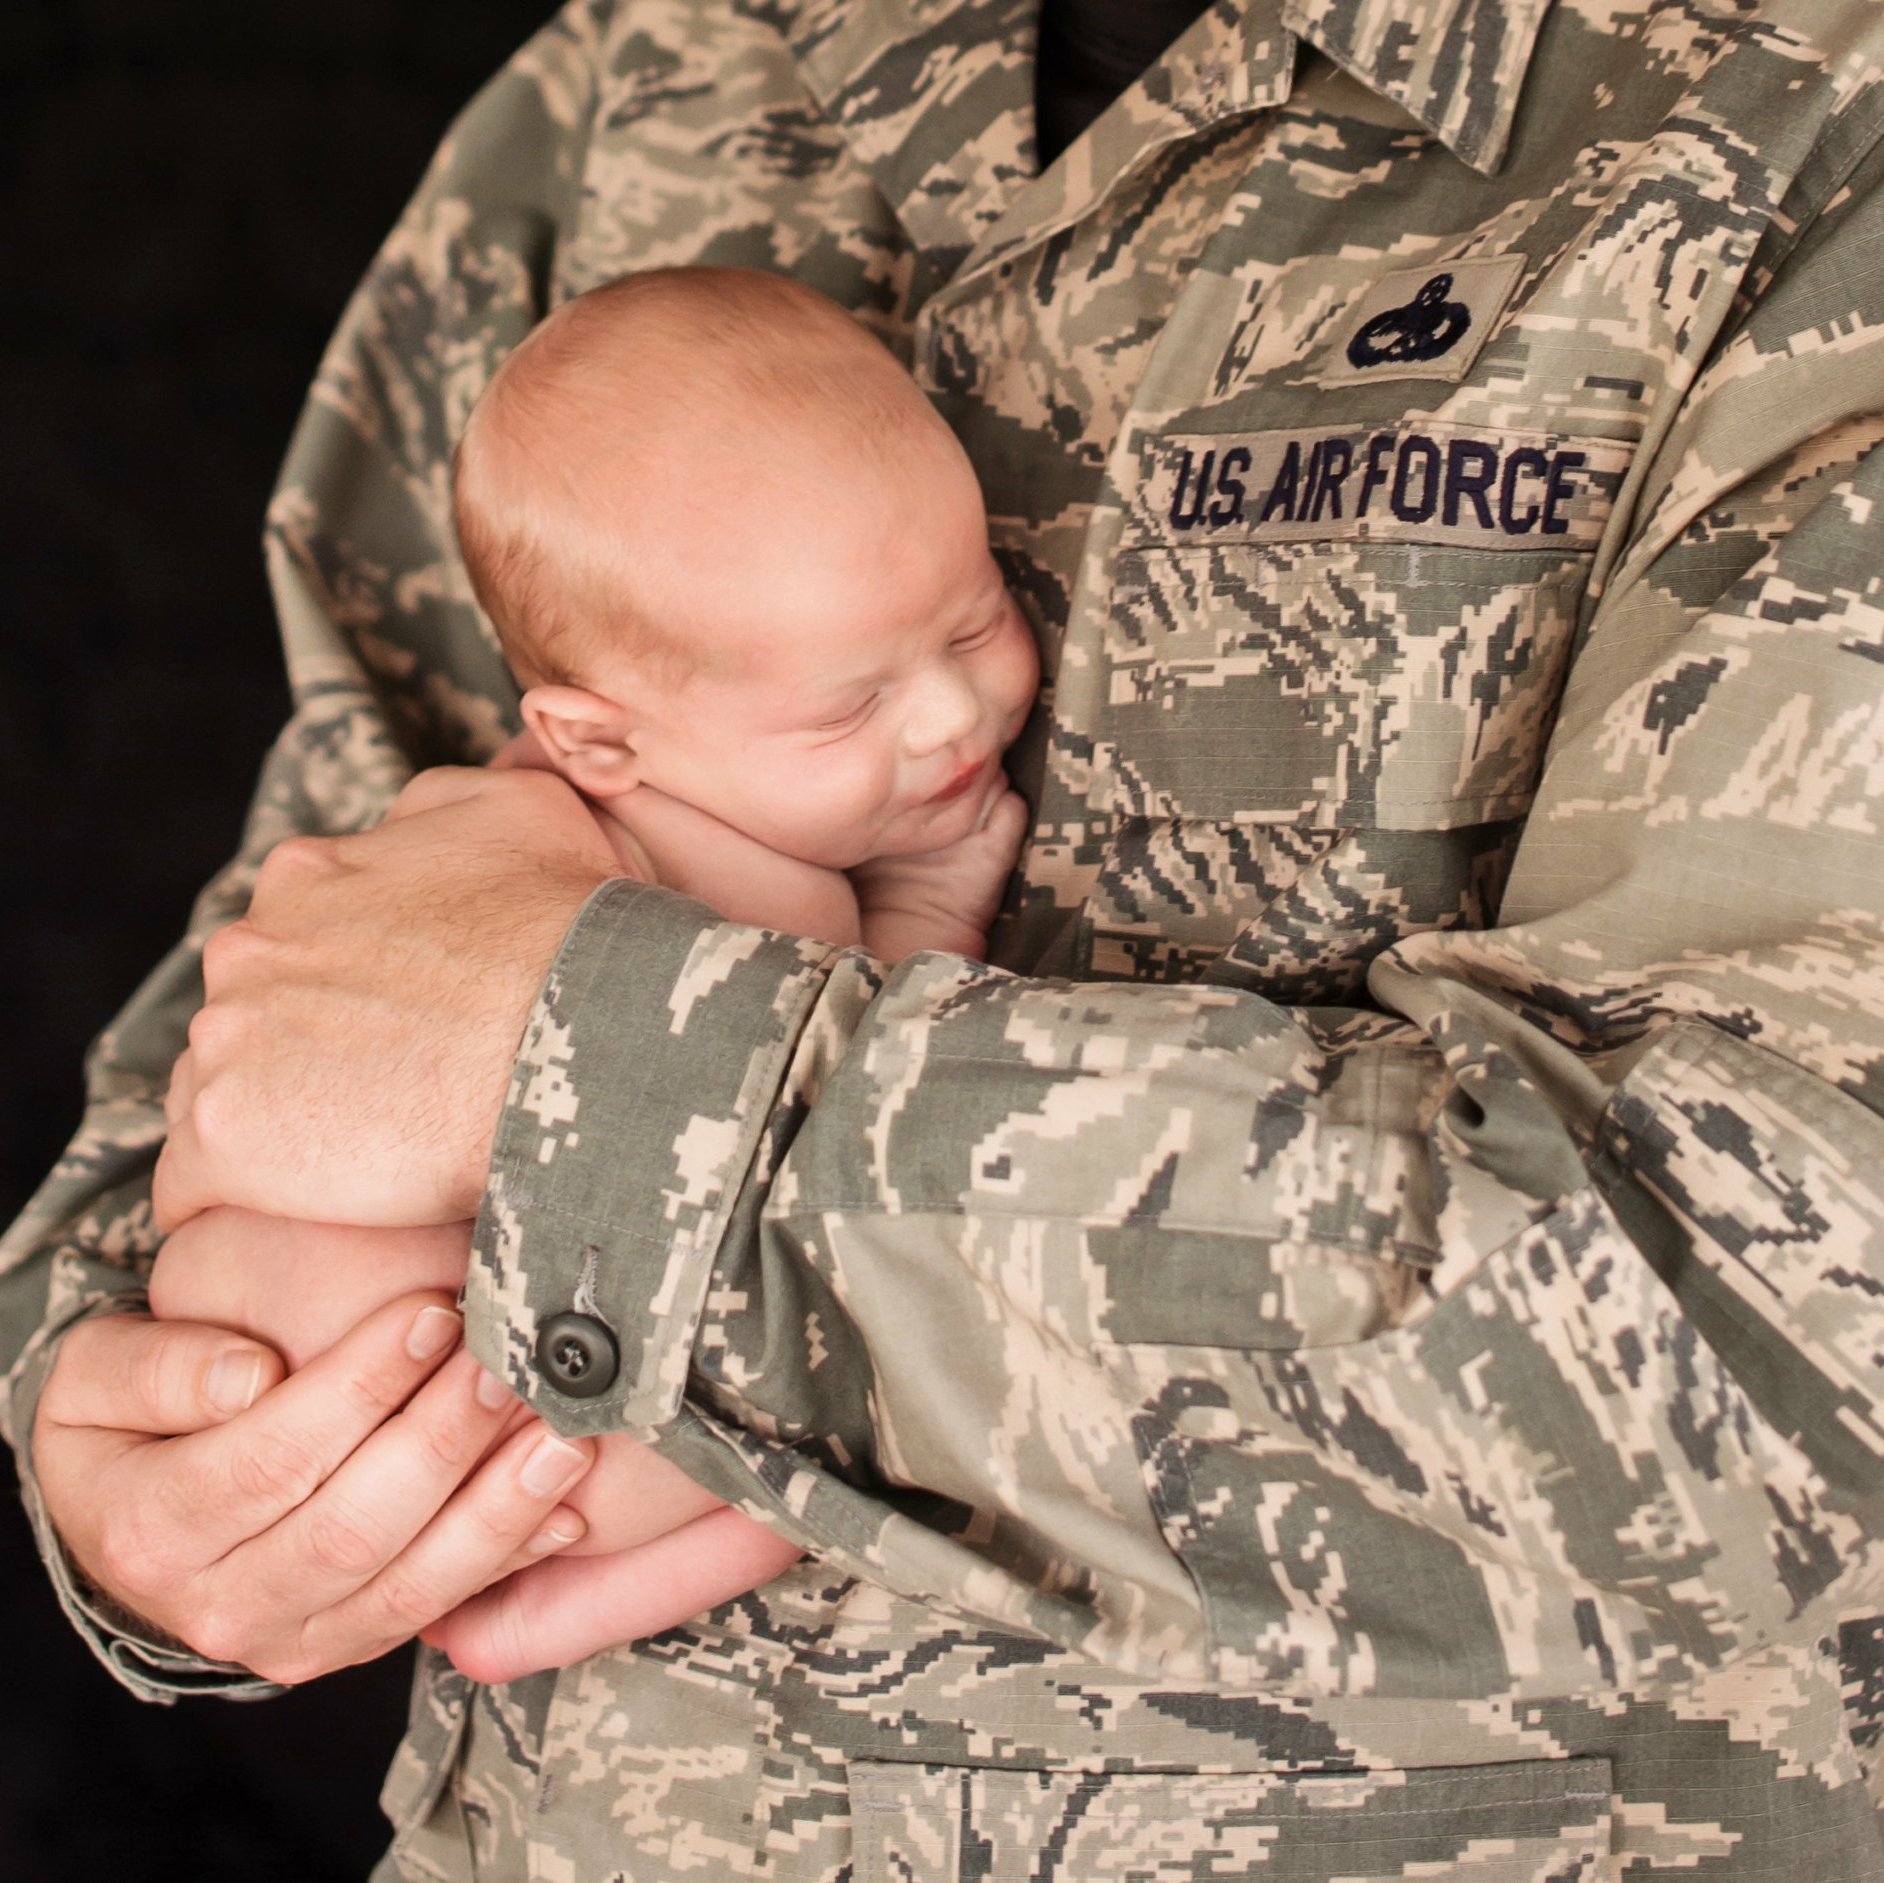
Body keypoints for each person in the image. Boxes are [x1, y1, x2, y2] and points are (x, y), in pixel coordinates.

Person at [9, 0, 1884, 1877]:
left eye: (983, 619)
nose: (950, 722)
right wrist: (130, 1440)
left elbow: (1797, 1332)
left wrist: (597, 1063)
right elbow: (310, 941)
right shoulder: (666, 66)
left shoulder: (1799, 108)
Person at [144, 263, 1038, 1645]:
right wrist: (928, 899)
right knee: (815, 1424)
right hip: (426, 1381)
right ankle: (539, 1595)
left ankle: (513, 1617)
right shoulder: (654, 876)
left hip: (287, 1352)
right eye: (846, 706)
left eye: (974, 616)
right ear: (598, 740)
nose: (949, 716)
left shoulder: (530, 810)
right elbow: (836, 1076)